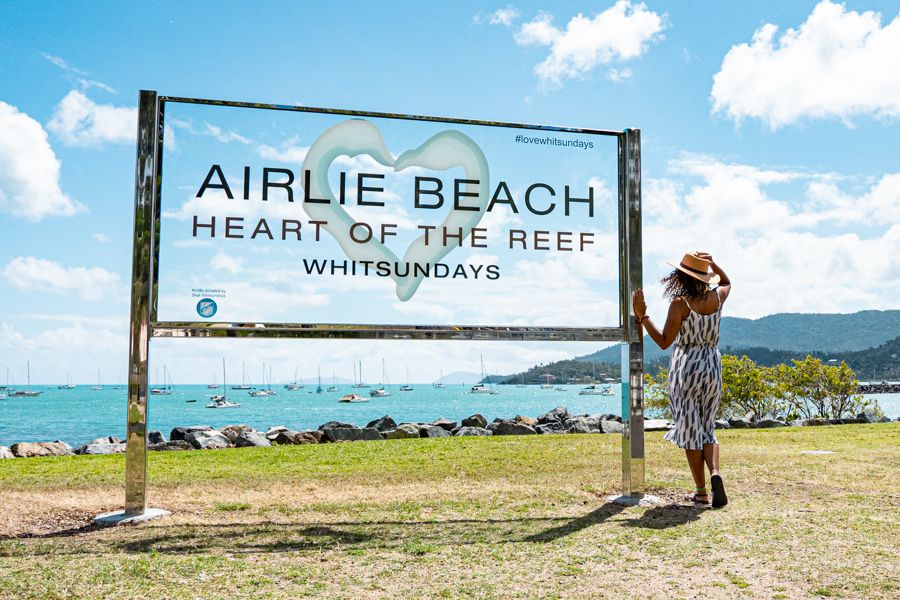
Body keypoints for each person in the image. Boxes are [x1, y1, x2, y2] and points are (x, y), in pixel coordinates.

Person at [632, 251, 730, 508]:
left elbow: (664, 341)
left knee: (690, 430)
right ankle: (715, 473)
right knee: (708, 427)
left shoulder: (681, 304)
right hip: (711, 365)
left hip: (686, 367)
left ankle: (701, 492)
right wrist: (713, 264)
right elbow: (726, 282)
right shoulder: (716, 298)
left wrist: (643, 317)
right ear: (704, 276)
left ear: (681, 277)